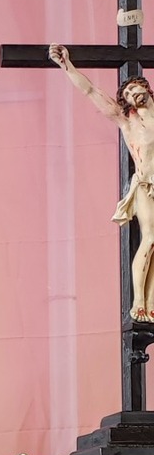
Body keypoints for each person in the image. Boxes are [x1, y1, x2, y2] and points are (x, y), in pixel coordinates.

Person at [49, 45, 154, 319]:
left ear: (146, 86)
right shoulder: (128, 122)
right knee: (151, 238)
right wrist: (68, 67)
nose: (133, 95)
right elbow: (91, 92)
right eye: (128, 94)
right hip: (146, 186)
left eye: (135, 89)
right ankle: (139, 303)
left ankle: (152, 304)